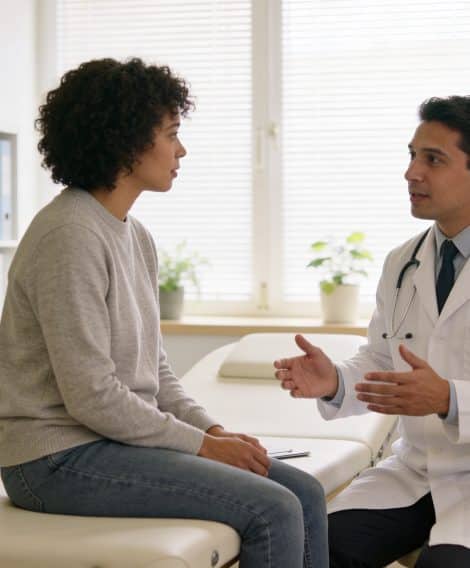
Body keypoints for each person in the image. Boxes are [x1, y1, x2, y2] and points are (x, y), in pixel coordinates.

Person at [0, 57, 328, 568]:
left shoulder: (135, 236)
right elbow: (91, 395)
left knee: (303, 491)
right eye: (171, 134)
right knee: (273, 509)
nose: (181, 150)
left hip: (109, 444)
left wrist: (213, 432)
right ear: (128, 142)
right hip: (53, 460)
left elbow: (155, 372)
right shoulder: (69, 235)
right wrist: (200, 447)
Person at [274, 95, 470, 568]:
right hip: (415, 470)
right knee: (314, 551)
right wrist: (336, 380)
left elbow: (436, 391)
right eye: (412, 155)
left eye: (433, 159)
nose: (412, 173)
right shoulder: (402, 261)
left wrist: (448, 398)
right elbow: (384, 362)